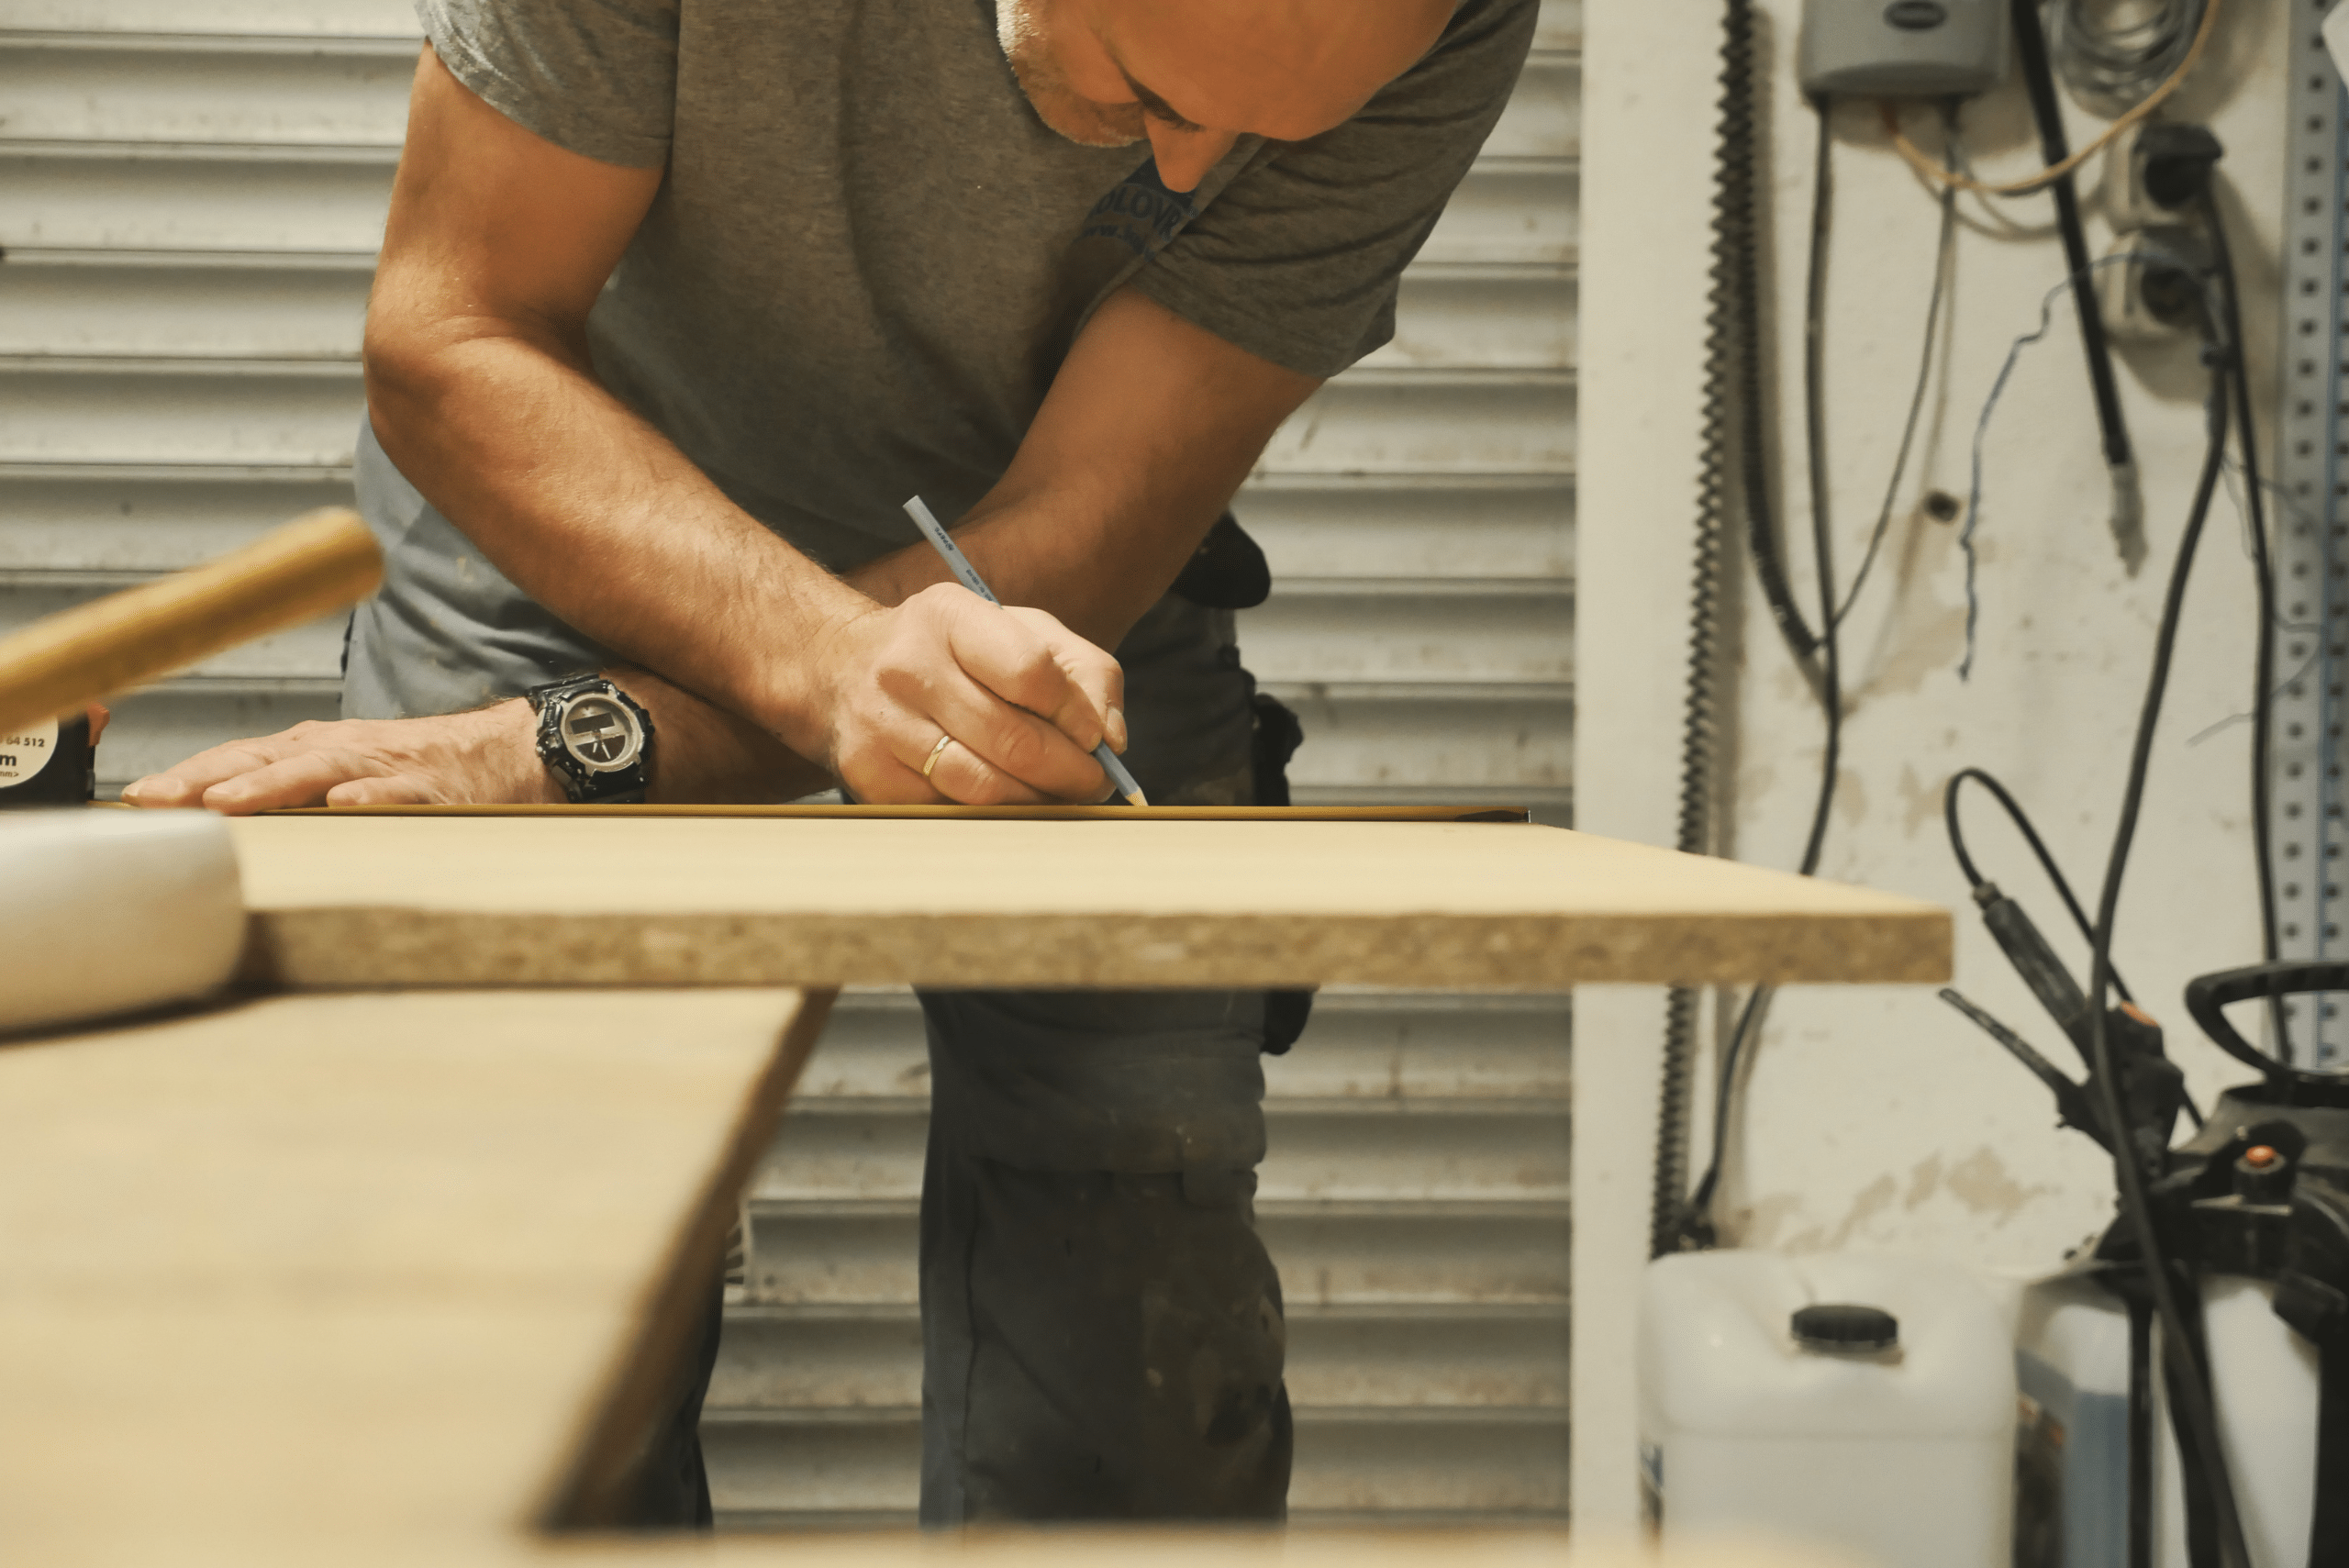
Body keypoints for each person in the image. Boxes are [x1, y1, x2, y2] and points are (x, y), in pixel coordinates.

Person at [125, 0, 1536, 1526]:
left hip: (1048, 603)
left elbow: (1098, 506)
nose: (1198, 179)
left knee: (1135, 1306)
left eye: (1272, 136)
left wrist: (625, 749)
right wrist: (763, 685)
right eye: (1158, 92)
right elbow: (453, 328)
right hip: (565, 515)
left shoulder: (1458, 20)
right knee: (515, 1331)